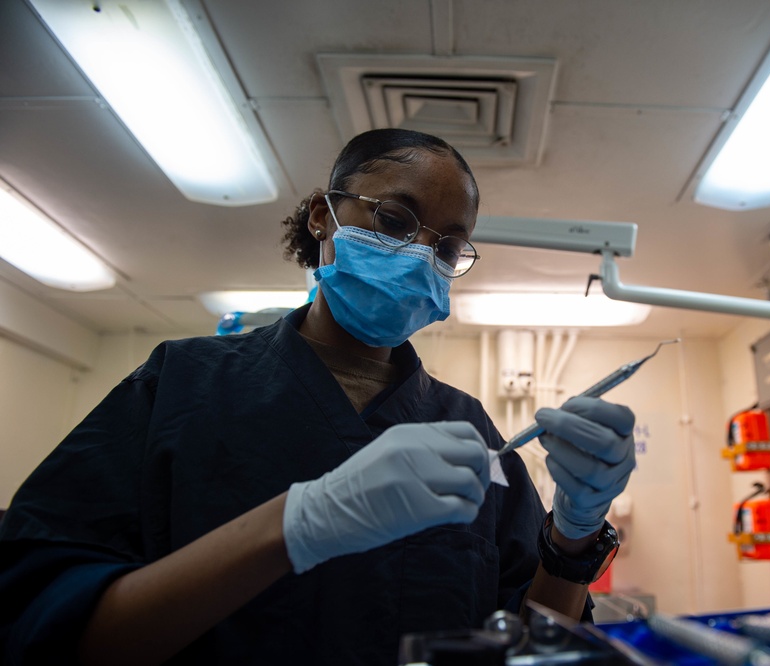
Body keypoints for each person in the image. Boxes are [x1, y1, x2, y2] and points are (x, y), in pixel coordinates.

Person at [0, 128, 636, 665]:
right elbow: (47, 624)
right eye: (393, 219)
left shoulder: (465, 425)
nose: (419, 254)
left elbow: (535, 639)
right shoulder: (181, 385)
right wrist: (294, 526)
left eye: (445, 245)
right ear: (320, 214)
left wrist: (574, 534)